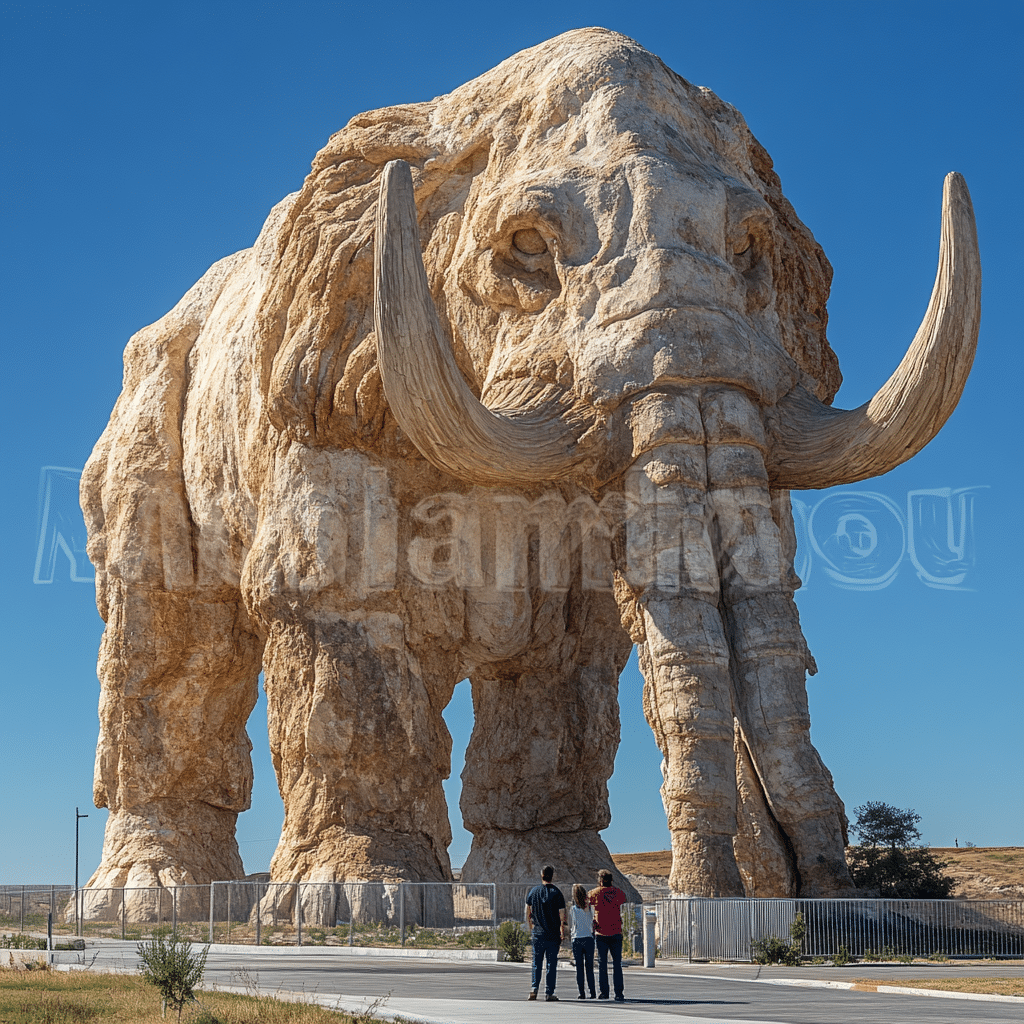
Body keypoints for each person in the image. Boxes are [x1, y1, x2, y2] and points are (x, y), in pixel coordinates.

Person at [525, 865, 566, 1001]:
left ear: (541, 874)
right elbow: (562, 914)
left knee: (536, 962)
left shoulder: (533, 891)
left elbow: (528, 911)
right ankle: (549, 992)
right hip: (553, 934)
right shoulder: (557, 892)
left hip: (538, 933)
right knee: (551, 964)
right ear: (552, 875)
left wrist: (531, 927)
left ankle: (534, 988)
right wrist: (562, 930)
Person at [590, 868, 627, 1001]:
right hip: (616, 931)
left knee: (602, 964)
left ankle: (604, 992)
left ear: (600, 881)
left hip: (601, 933)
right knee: (617, 964)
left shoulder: (595, 893)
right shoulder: (618, 893)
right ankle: (619, 993)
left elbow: (585, 901)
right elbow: (624, 899)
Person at [569, 883, 596, 999]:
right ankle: (593, 991)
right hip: (589, 938)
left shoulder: (573, 909)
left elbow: (572, 924)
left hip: (577, 939)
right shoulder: (589, 908)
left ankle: (581, 992)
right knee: (589, 967)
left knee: (579, 968)